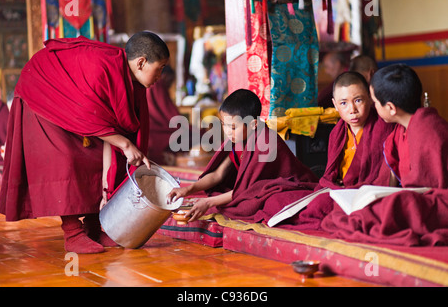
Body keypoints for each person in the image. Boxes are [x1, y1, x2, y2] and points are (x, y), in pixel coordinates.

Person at [0, 31, 170, 254]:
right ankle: (72, 233)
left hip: (72, 106)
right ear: (141, 62)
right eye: (160, 68)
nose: (161, 76)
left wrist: (114, 175)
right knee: (66, 158)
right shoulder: (102, 69)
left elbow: (112, 132)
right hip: (41, 95)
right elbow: (87, 118)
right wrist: (126, 146)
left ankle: (94, 227)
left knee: (96, 156)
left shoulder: (131, 82)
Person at [322, 64, 448, 246]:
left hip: (437, 202)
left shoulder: (427, 130)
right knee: (361, 211)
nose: (373, 107)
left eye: (373, 101)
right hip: (417, 198)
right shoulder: (401, 130)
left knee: (382, 211)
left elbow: (430, 190)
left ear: (390, 108)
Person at [167, 89, 318, 223]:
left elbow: (248, 191)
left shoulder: (265, 142)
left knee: (269, 204)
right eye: (224, 124)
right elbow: (218, 174)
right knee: (239, 203)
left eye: (232, 127)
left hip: (292, 186)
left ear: (253, 124)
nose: (227, 131)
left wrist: (209, 203)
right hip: (254, 191)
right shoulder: (238, 138)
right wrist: (187, 190)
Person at [276, 71, 395, 230]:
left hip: (367, 193)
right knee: (283, 200)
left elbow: (384, 179)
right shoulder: (337, 133)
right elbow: (331, 175)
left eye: (358, 100)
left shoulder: (384, 128)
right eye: (344, 103)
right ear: (335, 105)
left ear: (370, 97)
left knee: (322, 208)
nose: (352, 109)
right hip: (341, 191)